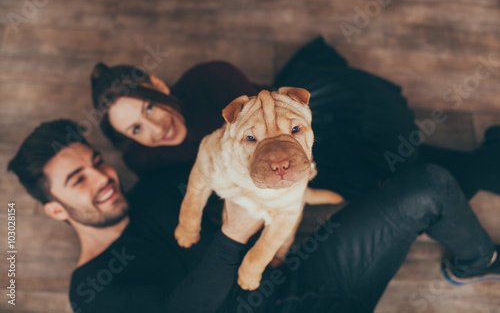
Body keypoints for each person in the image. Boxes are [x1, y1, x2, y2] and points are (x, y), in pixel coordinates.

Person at [8, 119, 500, 313]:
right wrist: (230, 237)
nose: (103, 178)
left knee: (427, 184)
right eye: (79, 181)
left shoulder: (160, 190)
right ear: (54, 209)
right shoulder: (89, 289)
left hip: (309, 273)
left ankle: (475, 261)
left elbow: (231, 166)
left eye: (95, 163)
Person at [90, 37, 420, 202]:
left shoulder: (210, 78)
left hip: (290, 136)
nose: (156, 128)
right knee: (392, 186)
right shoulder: (142, 157)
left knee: (392, 161)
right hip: (260, 176)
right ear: (129, 139)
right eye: (136, 128)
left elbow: (274, 139)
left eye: (150, 108)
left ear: (159, 86)